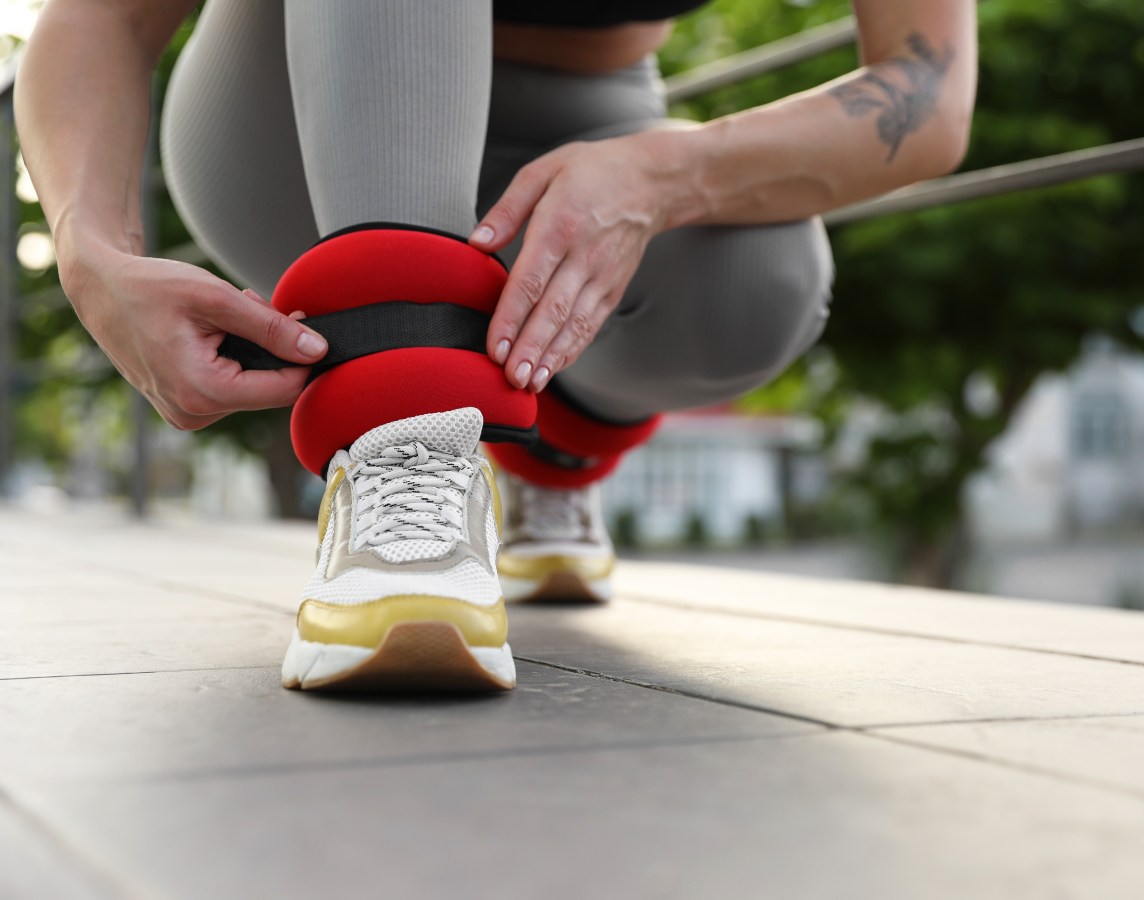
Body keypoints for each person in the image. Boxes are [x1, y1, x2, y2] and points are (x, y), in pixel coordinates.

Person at [15, 0, 977, 692]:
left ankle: (550, 455)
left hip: (590, 108)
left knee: (757, 282)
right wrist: (91, 258)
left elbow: (926, 89)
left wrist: (665, 172)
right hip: (297, 94)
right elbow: (104, 16)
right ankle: (405, 461)